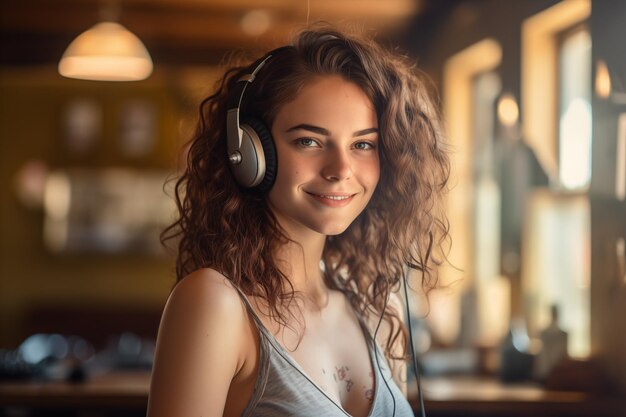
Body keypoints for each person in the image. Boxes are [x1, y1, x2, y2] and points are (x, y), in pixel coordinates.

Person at [147, 24, 450, 417]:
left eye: (363, 145)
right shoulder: (213, 303)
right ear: (250, 153)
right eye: (309, 141)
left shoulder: (381, 311)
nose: (341, 169)